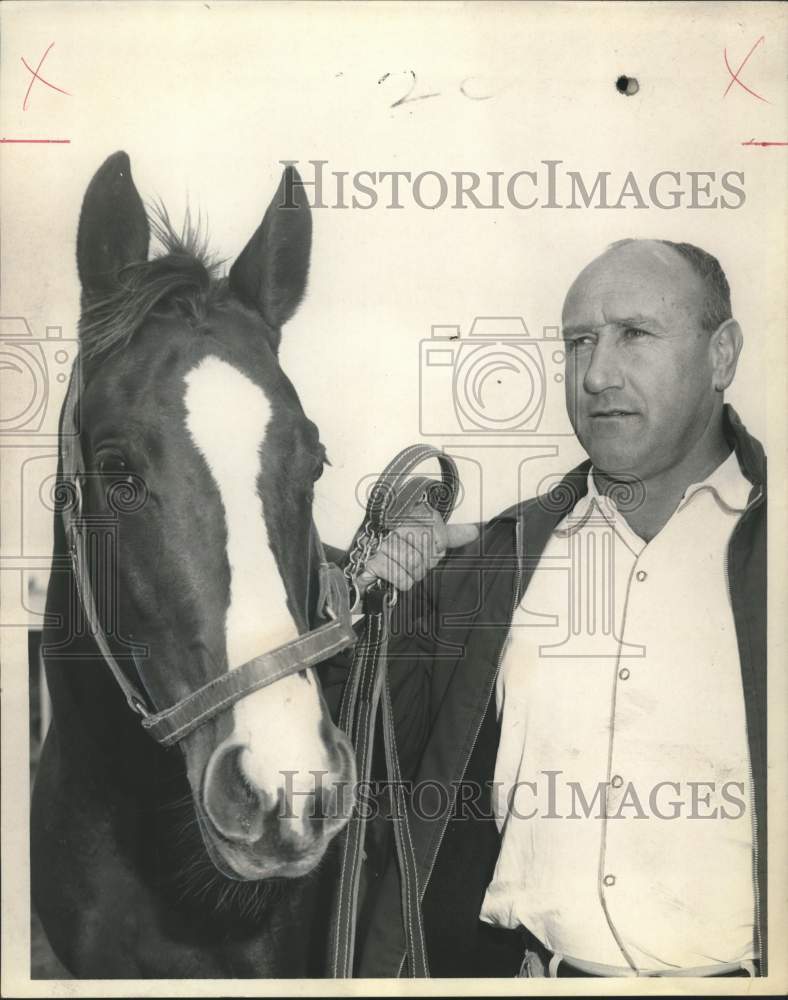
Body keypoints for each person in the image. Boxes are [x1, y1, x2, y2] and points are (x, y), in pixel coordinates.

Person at [340, 239, 767, 979]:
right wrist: (389, 600)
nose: (598, 374)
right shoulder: (498, 561)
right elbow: (371, 762)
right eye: (579, 343)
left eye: (634, 334)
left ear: (721, 355)